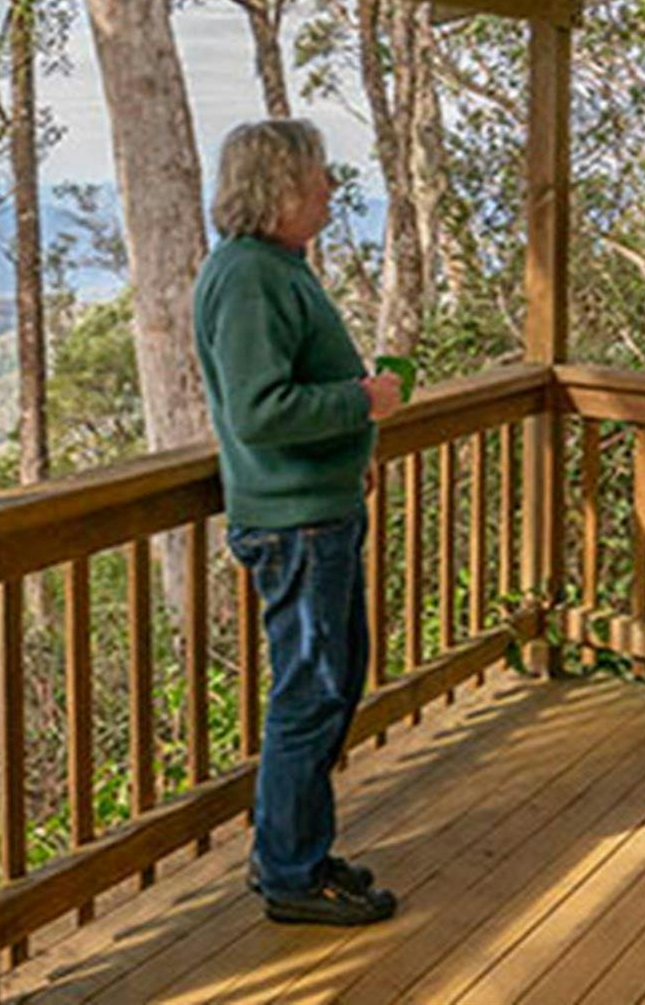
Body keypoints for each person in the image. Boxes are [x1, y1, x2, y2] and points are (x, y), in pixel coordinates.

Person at [193, 119, 405, 926]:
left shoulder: (274, 267)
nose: (327, 190)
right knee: (311, 696)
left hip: (317, 512)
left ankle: (298, 853)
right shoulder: (248, 277)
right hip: (296, 527)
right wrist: (362, 402)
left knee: (331, 686)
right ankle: (288, 873)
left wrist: (354, 445)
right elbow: (259, 411)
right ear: (276, 189)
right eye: (316, 177)